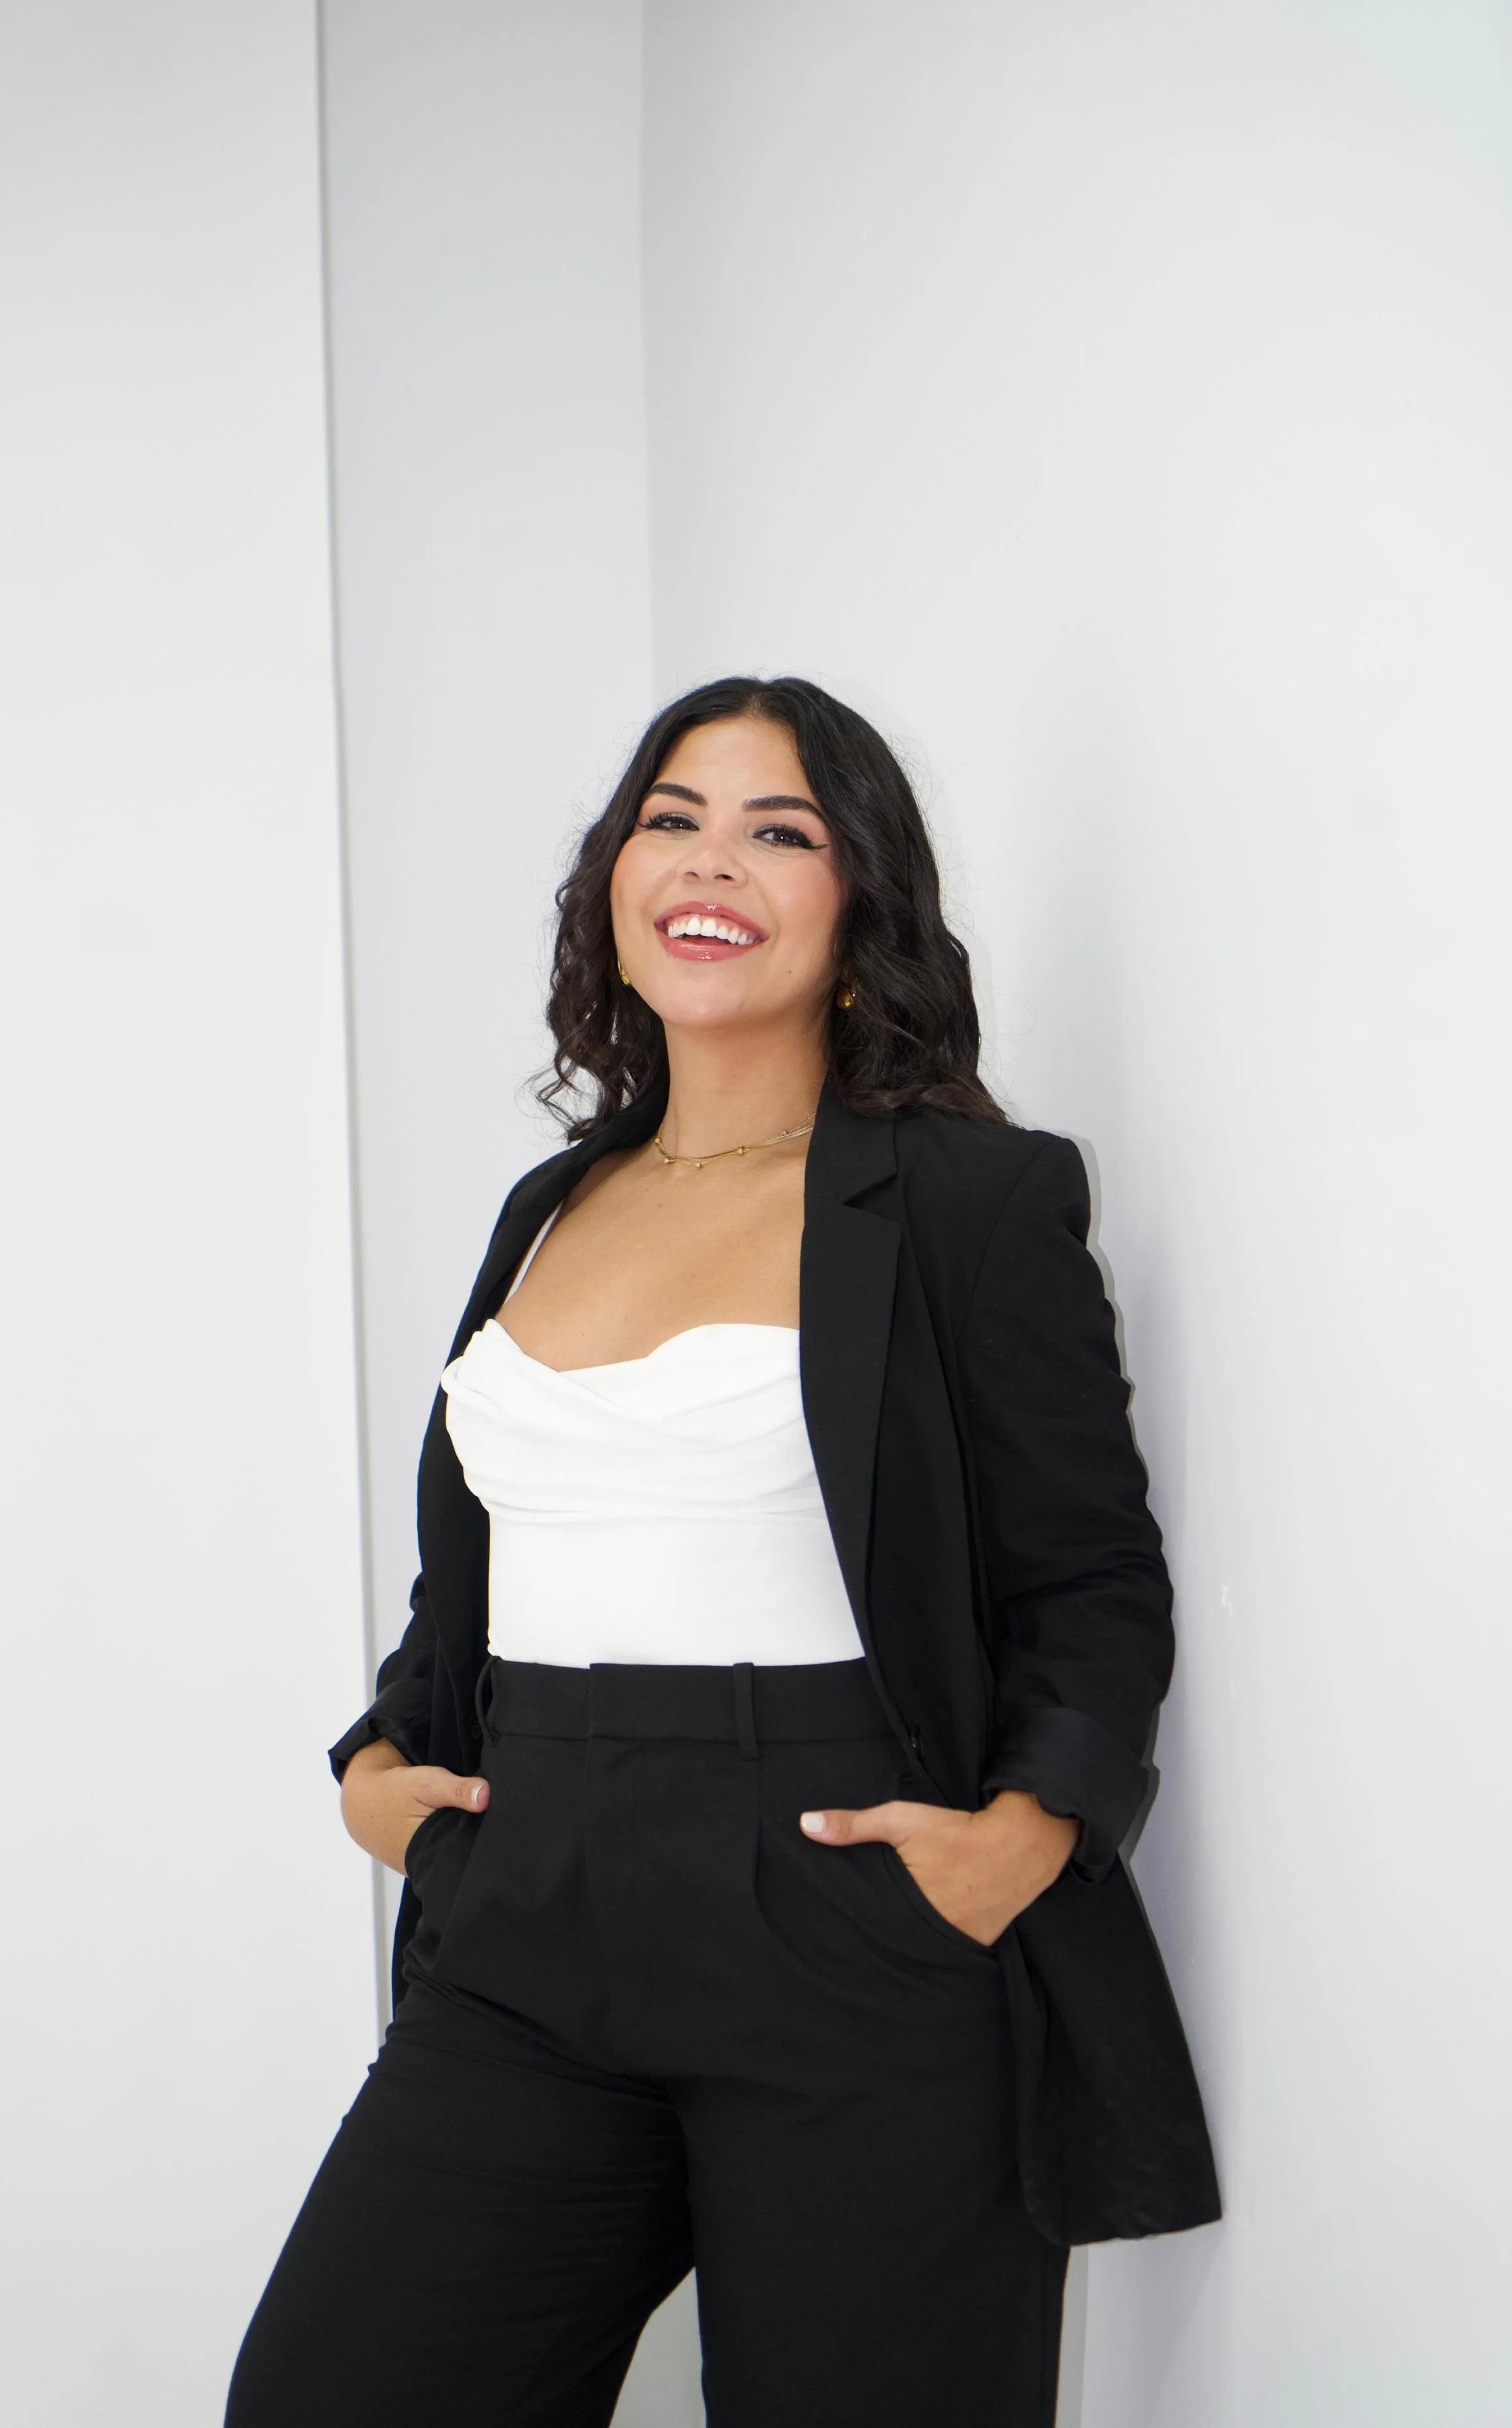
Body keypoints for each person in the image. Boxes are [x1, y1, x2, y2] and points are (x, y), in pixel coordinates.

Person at [225, 676, 1219, 2428]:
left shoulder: (962, 1203)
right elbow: (485, 1551)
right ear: (614, 877)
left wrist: (1024, 1833)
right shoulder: (551, 1206)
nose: (711, 861)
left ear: (860, 906)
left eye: (781, 831)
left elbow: (1087, 1574)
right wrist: (384, 1759)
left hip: (848, 1912)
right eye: (672, 818)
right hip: (529, 1911)